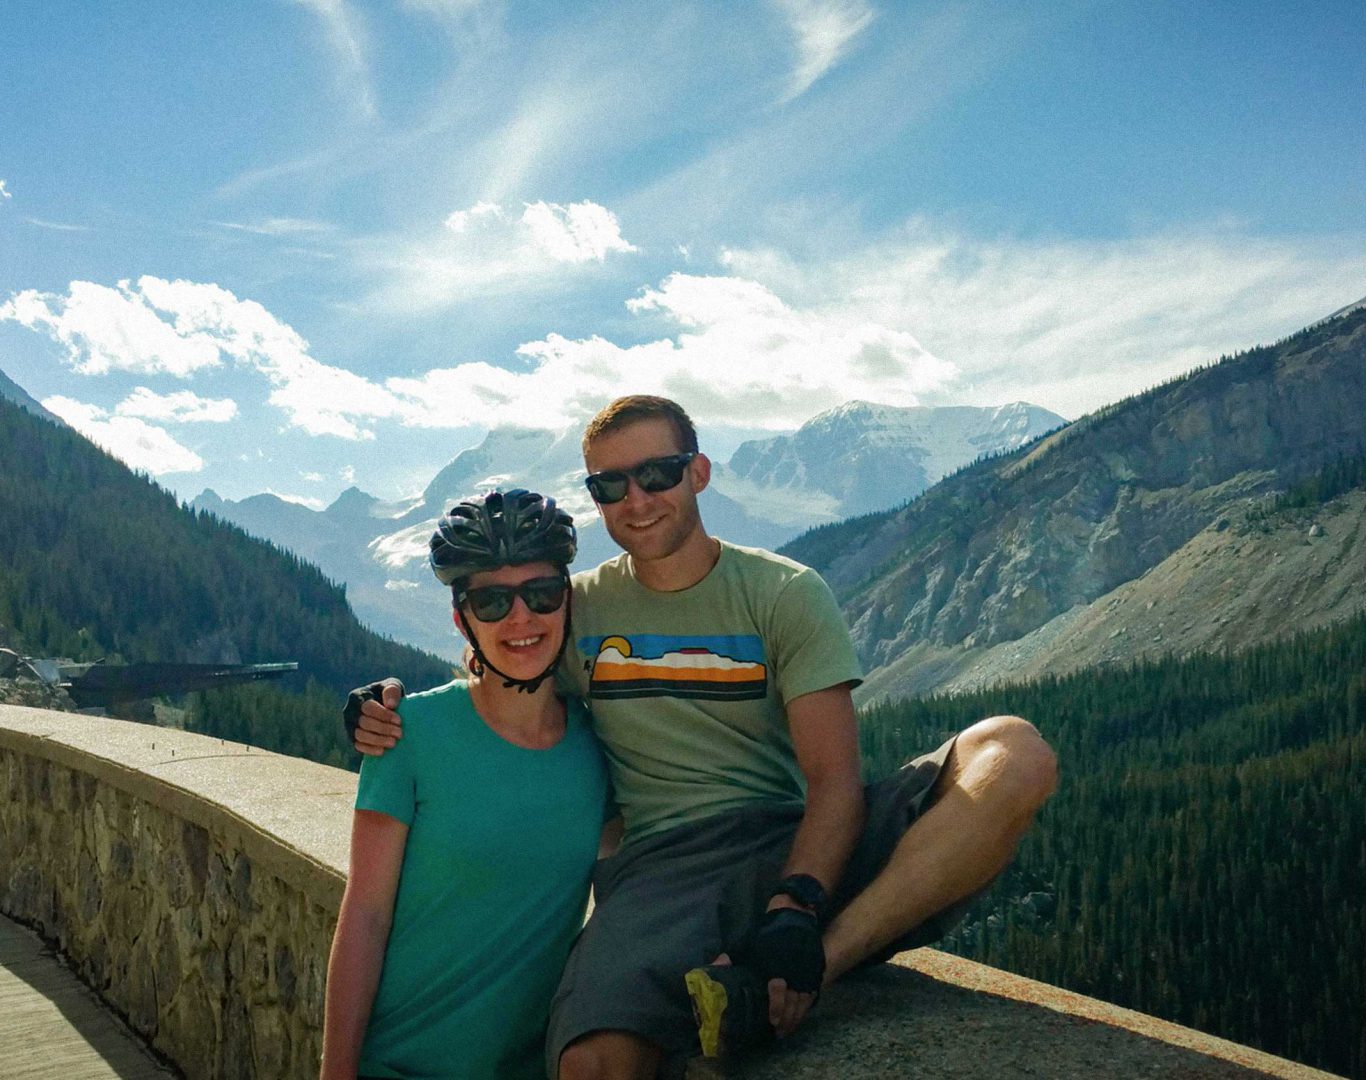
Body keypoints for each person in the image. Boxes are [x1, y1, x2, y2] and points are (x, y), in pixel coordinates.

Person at [347, 395, 1058, 1079]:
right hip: (663, 870)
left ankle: (805, 969)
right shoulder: (574, 604)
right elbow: (498, 661)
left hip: (793, 836)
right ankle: (771, 972)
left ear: (698, 472)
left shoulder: (783, 592)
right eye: (610, 484)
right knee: (590, 1064)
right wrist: (384, 705)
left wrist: (797, 910)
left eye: (656, 473)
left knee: (1014, 754)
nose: (638, 498)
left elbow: (835, 781)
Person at [323, 489, 610, 1080]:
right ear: (462, 619)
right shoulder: (408, 735)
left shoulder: (599, 747)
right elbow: (365, 916)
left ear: (568, 602)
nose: (521, 618)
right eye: (492, 600)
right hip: (398, 1068)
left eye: (542, 593)